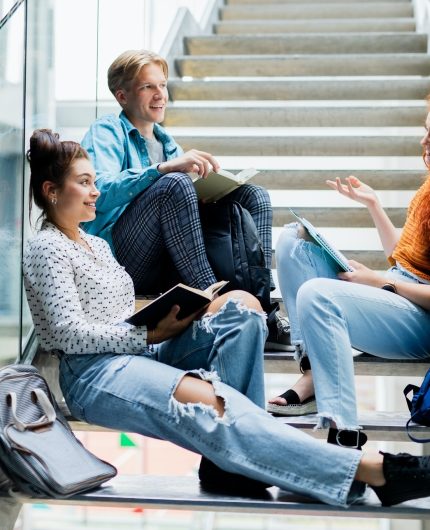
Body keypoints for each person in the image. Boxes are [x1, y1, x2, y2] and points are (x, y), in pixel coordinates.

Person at [21, 128, 430, 509]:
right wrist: (147, 335)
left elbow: (116, 313)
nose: (96, 192)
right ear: (51, 191)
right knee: (217, 407)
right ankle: (374, 470)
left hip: (139, 348)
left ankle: (231, 461)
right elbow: (65, 334)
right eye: (85, 183)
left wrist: (174, 311)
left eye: (94, 181)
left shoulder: (96, 245)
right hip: (96, 373)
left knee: (242, 311)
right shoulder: (45, 248)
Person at [79, 49, 289, 350]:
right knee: (174, 182)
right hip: (122, 260)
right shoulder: (106, 131)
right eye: (147, 87)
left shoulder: (166, 141)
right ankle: (213, 301)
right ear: (122, 96)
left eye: (162, 85)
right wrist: (161, 170)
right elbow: (97, 192)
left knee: (254, 196)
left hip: (166, 259)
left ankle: (261, 306)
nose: (159, 94)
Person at [268, 102, 430, 449]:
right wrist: (374, 205)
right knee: (292, 241)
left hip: (421, 319)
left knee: (317, 294)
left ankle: (344, 434)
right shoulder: (428, 187)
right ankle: (312, 371)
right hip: (399, 287)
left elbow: (405, 277)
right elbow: (405, 258)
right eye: (425, 131)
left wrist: (382, 283)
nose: (425, 142)